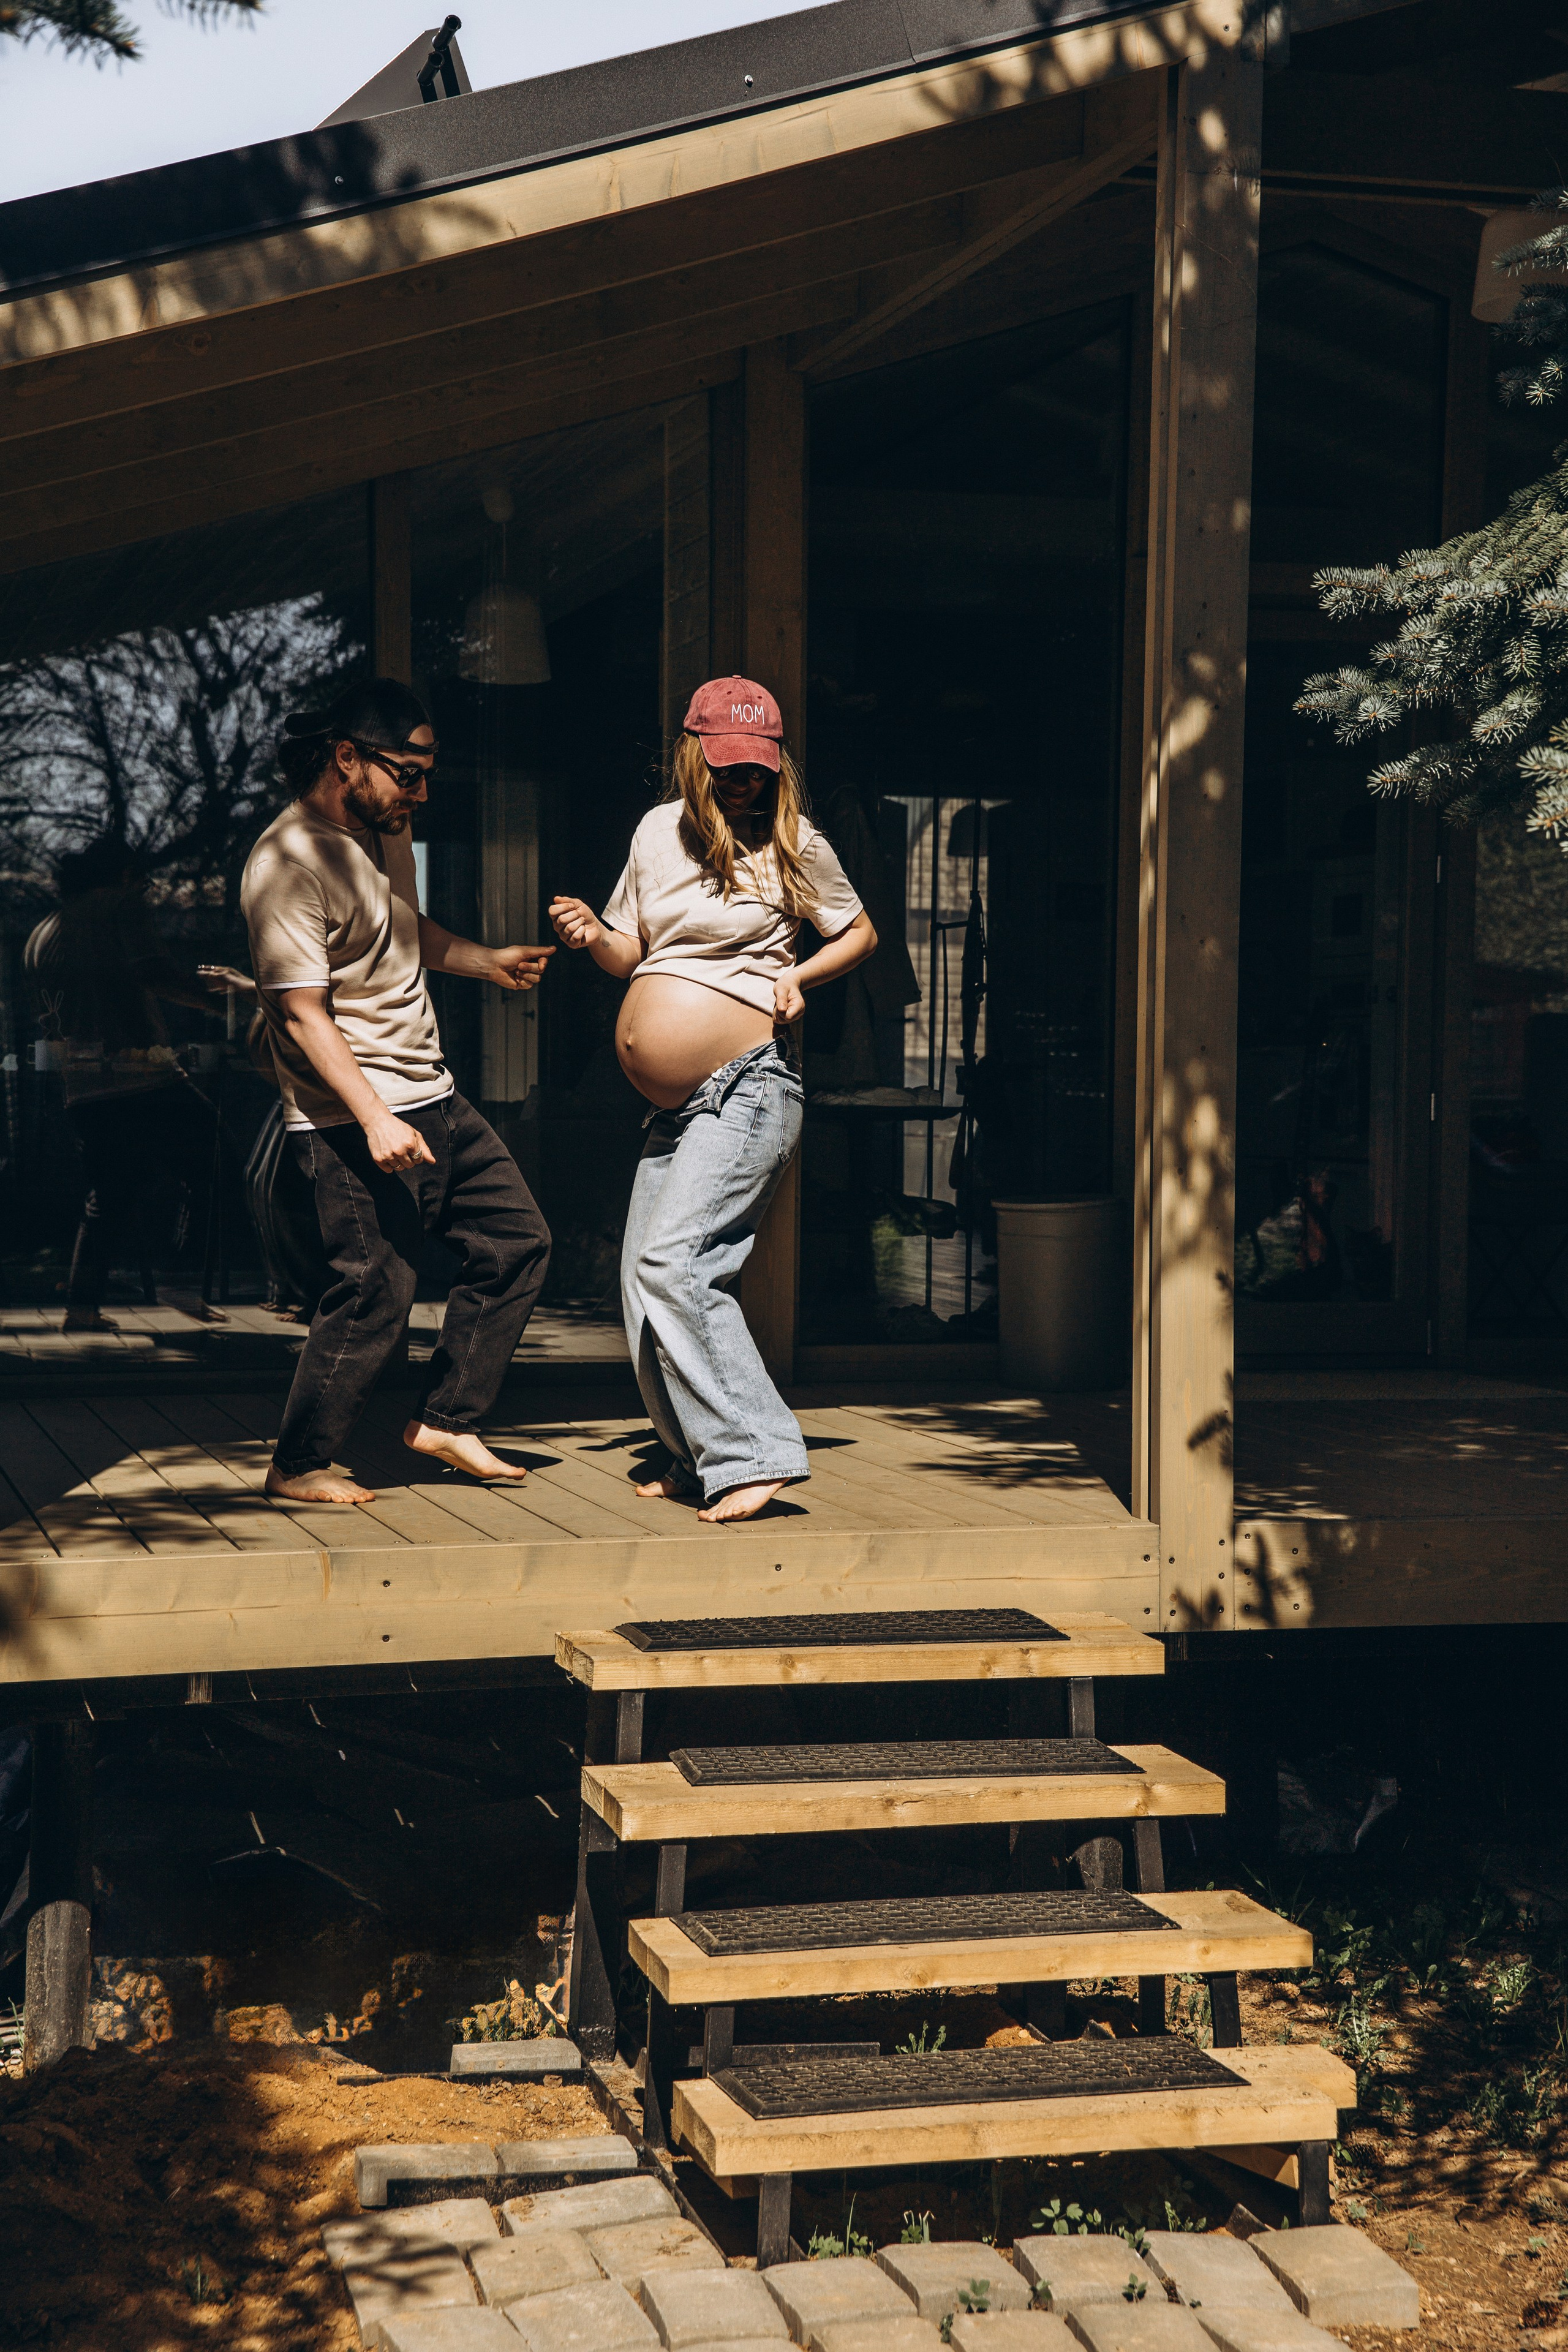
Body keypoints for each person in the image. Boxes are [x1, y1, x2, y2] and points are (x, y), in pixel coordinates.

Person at [549, 676, 876, 1523]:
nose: (743, 784)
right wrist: (593, 936)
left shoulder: (797, 843)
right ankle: (697, 1455)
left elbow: (860, 931)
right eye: (727, 768)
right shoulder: (658, 832)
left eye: (757, 770)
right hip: (676, 1107)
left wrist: (800, 978)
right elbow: (634, 955)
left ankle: (755, 1450)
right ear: (694, 756)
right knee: (640, 1286)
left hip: (749, 1087)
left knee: (675, 1265)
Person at [241, 677, 554, 1506]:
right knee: (376, 1289)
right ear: (346, 757)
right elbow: (300, 1013)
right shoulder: (285, 864)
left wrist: (486, 960)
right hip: (352, 1113)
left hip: (433, 1092)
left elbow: (400, 935)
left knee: (518, 1240)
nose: (420, 791)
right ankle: (297, 1464)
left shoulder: (382, 836)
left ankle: (448, 1418)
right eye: (406, 772)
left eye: (428, 772)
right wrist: (375, 1118)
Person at [24, 838, 248, 1333]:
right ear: (126, 876)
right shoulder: (120, 906)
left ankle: (82, 1307)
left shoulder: (43, 932)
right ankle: (182, 1278)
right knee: (217, 1162)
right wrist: (223, 1005)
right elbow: (152, 971)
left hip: (81, 1087)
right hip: (141, 1077)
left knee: (110, 1192)